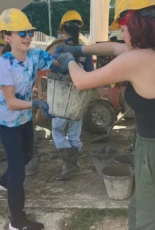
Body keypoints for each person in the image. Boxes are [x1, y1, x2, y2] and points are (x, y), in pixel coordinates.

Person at [56, 1, 155, 229]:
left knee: (153, 222)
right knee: (143, 213)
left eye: (125, 26)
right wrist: (80, 50)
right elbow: (113, 48)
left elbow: (81, 82)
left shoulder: (139, 60)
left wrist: (69, 61)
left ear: (140, 24)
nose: (123, 32)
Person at [0, 8, 58, 230]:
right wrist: (36, 103)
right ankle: (16, 222)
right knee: (18, 170)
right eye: (22, 33)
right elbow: (11, 102)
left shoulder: (34, 56)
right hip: (7, 121)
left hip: (23, 118)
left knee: (28, 154)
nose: (28, 37)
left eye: (29, 32)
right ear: (8, 37)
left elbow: (55, 60)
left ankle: (3, 181)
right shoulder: (4, 64)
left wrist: (70, 56)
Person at [50, 10, 94, 180]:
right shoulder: (85, 51)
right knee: (75, 131)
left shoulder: (61, 49)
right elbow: (91, 73)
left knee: (57, 130)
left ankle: (69, 163)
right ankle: (74, 154)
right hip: (80, 97)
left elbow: (54, 69)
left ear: (63, 30)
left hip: (63, 98)